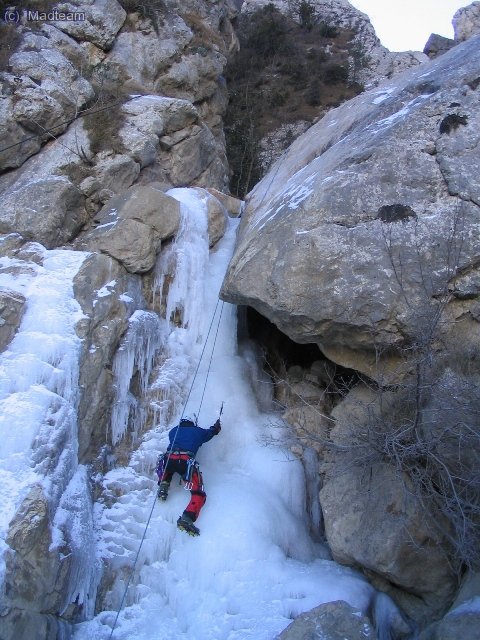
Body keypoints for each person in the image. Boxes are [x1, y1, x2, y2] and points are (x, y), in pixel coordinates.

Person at [156, 416, 221, 536]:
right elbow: (210, 433)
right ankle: (187, 518)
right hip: (186, 462)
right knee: (199, 493)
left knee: (168, 467)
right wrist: (216, 427)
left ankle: (163, 486)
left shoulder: (173, 431)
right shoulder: (197, 431)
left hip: (169, 459)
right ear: (192, 422)